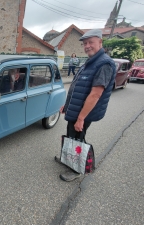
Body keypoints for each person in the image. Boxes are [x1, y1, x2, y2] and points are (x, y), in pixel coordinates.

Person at [56, 29, 116, 182]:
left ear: (100, 43)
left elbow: (95, 94)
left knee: (77, 138)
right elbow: (77, 88)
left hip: (84, 113)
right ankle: (68, 159)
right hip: (76, 109)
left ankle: (76, 169)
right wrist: (67, 106)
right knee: (71, 135)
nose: (87, 46)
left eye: (91, 42)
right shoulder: (90, 62)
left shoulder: (104, 64)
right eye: (85, 43)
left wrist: (81, 118)